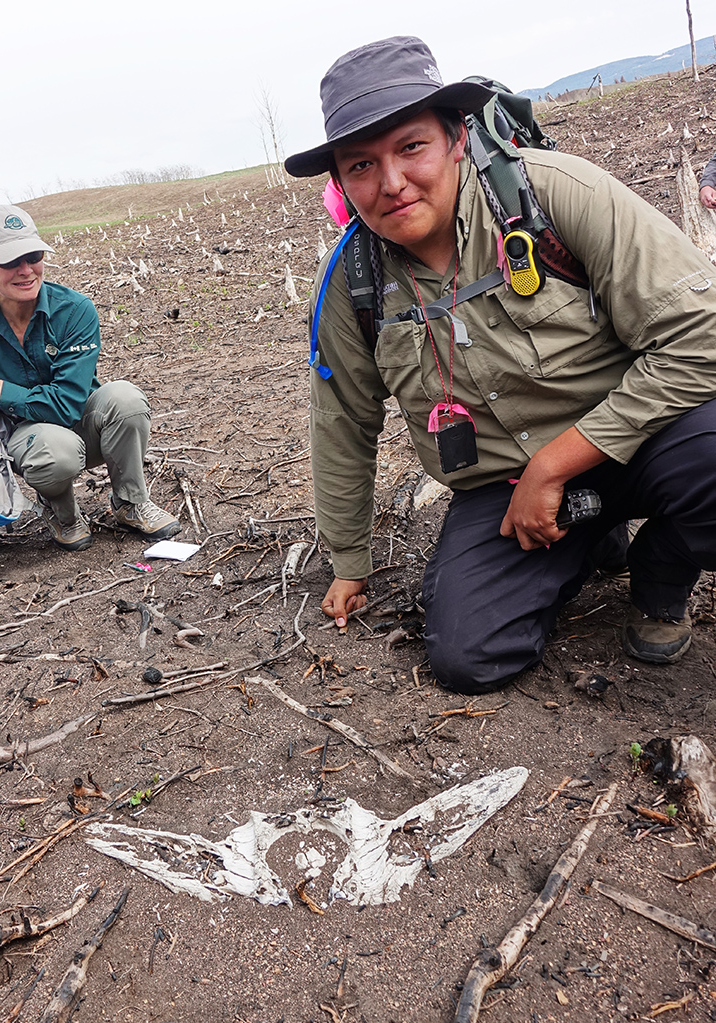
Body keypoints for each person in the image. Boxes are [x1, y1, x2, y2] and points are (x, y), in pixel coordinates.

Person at [284, 36, 716, 693]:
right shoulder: (352, 282)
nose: (392, 184)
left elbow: (702, 335)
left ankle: (660, 567)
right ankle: (588, 535)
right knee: (468, 655)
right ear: (339, 186)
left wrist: (556, 463)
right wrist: (350, 561)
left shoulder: (554, 194)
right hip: (507, 490)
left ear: (457, 137)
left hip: (646, 439)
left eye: (411, 147)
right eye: (361, 165)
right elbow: (343, 421)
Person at [0, 204, 181, 552]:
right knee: (53, 450)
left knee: (126, 399)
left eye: (33, 255)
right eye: (9, 261)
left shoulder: (74, 310)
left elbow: (65, 405)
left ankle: (130, 502)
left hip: (79, 421)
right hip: (26, 442)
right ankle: (63, 515)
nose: (26, 270)